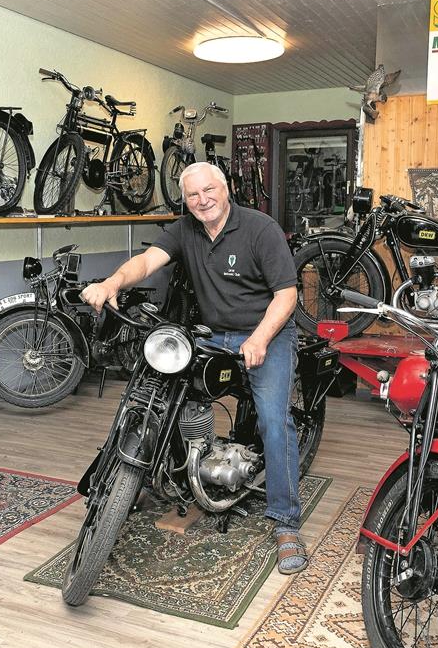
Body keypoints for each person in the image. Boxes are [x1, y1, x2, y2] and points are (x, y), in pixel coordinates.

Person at [81, 161, 308, 574]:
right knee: (157, 388)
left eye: (208, 190)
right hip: (211, 331)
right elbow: (147, 262)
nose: (202, 200)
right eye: (192, 195)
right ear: (185, 200)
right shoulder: (185, 230)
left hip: (266, 333)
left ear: (225, 190)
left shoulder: (260, 229)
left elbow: (286, 294)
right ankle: (146, 475)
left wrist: (259, 338)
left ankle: (286, 522)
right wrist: (112, 282)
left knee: (274, 422)